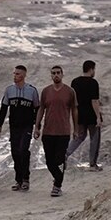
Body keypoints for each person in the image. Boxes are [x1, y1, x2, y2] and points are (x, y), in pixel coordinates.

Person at [34, 66, 78, 197]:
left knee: (59, 160)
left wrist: (76, 129)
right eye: (53, 73)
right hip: (48, 131)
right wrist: (37, 126)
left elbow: (74, 110)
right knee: (49, 162)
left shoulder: (70, 91)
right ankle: (58, 179)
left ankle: (57, 185)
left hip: (63, 131)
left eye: (58, 73)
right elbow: (41, 109)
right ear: (51, 76)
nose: (56, 75)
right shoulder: (46, 91)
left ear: (62, 75)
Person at [0, 65, 39, 192]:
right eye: (14, 74)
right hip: (14, 127)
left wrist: (37, 126)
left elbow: (37, 108)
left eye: (18, 74)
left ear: (24, 75)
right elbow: (4, 108)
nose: (15, 76)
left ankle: (26, 179)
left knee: (23, 150)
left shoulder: (32, 91)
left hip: (27, 126)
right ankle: (18, 180)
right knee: (15, 153)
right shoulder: (9, 90)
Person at [65, 61, 103, 171]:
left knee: (79, 137)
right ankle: (92, 164)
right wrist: (98, 117)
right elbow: (94, 101)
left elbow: (73, 101)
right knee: (95, 138)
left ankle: (65, 154)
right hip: (91, 115)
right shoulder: (93, 83)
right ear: (91, 69)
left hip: (79, 114)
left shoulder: (75, 82)